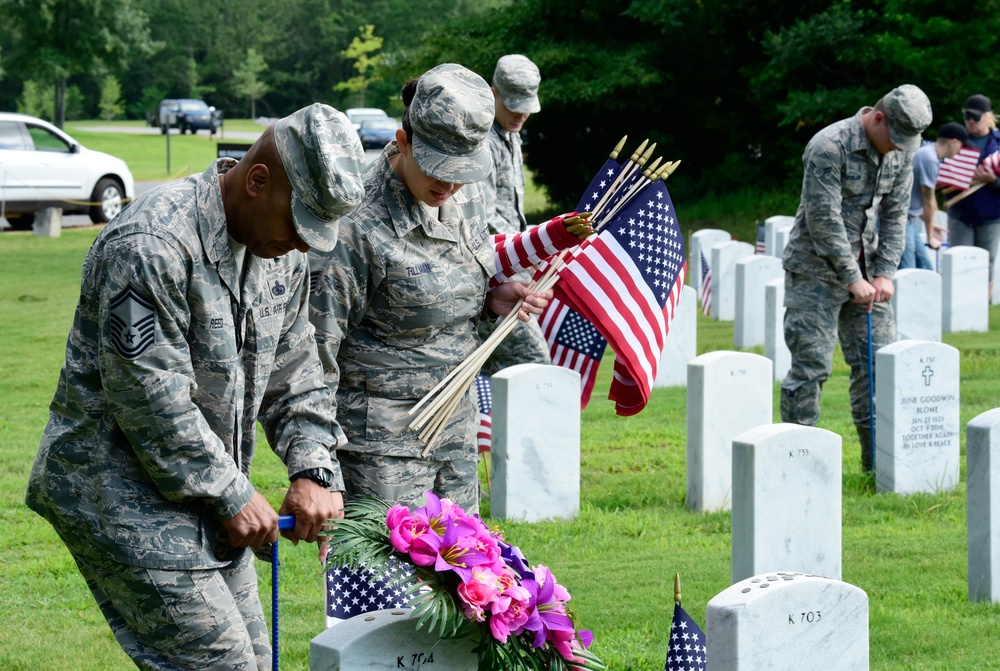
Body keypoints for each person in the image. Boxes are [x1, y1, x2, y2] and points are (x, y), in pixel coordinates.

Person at [25, 103, 366, 670]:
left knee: (256, 662)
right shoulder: (151, 243)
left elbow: (298, 370)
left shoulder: (279, 253)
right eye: (300, 224)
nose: (305, 244)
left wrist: (313, 468)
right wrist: (232, 494)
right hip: (121, 495)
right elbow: (149, 398)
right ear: (257, 181)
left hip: (203, 496)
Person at [307, 64, 555, 515]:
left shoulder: (466, 195)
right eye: (438, 168)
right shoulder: (356, 223)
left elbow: (456, 276)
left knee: (465, 574)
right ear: (403, 143)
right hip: (379, 448)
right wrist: (318, 471)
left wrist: (488, 302)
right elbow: (312, 355)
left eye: (463, 170)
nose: (450, 184)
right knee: (390, 585)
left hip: (455, 430)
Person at [780, 84, 932, 471]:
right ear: (878, 118)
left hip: (868, 278)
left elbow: (897, 215)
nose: (898, 148)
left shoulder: (901, 154)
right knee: (811, 368)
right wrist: (852, 278)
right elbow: (822, 219)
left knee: (879, 366)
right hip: (815, 272)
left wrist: (884, 273)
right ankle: (796, 466)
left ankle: (878, 467)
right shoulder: (829, 145)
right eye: (895, 138)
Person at [478, 54, 552, 375]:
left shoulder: (511, 134)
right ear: (493, 94)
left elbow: (512, 213)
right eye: (513, 105)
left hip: (516, 274)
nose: (522, 113)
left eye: (527, 106)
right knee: (534, 368)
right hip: (491, 280)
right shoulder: (480, 141)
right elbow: (483, 220)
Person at [947, 93, 1000, 296]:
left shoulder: (998, 142)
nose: (970, 121)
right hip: (960, 211)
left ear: (988, 116)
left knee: (987, 262)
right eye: (967, 116)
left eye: (975, 116)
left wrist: (992, 180)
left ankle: (981, 308)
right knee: (958, 261)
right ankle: (958, 304)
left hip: (991, 213)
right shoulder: (957, 139)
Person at [901, 121, 969, 269]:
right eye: (961, 146)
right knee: (908, 269)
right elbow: (928, 200)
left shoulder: (928, 153)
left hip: (909, 218)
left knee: (926, 267)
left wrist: (931, 225)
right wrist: (930, 236)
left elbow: (913, 198)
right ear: (953, 142)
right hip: (900, 220)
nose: (960, 151)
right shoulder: (929, 159)